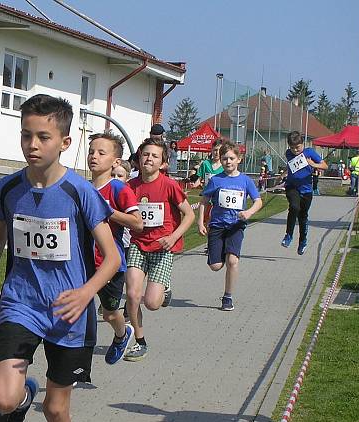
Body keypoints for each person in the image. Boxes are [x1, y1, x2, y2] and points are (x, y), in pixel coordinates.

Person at [0, 94, 120, 422]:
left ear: (65, 142)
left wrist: (86, 292)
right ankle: (19, 401)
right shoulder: (9, 188)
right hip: (21, 303)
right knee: (2, 398)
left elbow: (110, 257)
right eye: (25, 135)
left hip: (69, 313)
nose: (32, 144)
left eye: (42, 136)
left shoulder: (80, 192)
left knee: (57, 410)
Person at [123, 138, 195, 361]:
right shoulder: (130, 186)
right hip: (138, 244)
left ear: (163, 162)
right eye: (145, 154)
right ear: (139, 157)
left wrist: (173, 237)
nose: (149, 159)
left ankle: (165, 287)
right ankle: (140, 341)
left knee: (153, 303)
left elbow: (189, 214)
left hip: (162, 247)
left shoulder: (169, 185)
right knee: (133, 295)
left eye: (154, 156)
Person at [87, 131, 143, 363]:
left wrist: (109, 211)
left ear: (115, 161)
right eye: (91, 152)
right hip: (83, 262)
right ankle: (76, 358)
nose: (94, 157)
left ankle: (122, 334)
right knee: (77, 310)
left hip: (110, 265)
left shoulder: (119, 189)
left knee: (110, 313)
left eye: (101, 153)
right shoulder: (82, 187)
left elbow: (137, 222)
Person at [198, 141, 263, 311]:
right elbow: (204, 201)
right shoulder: (216, 180)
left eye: (231, 158)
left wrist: (249, 212)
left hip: (236, 226)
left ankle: (228, 297)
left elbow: (258, 201)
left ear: (239, 159)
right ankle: (217, 251)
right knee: (216, 266)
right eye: (225, 158)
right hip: (217, 225)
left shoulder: (245, 181)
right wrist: (200, 222)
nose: (228, 162)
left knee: (232, 261)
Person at [280, 131, 327, 255]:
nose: (296, 150)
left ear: (303, 144)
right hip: (292, 187)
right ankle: (288, 235)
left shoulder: (310, 152)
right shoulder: (288, 153)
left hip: (306, 189)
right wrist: (283, 174)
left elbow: (325, 166)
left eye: (298, 147)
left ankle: (303, 241)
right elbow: (290, 166)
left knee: (303, 216)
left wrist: (313, 164)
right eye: (293, 147)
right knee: (294, 207)